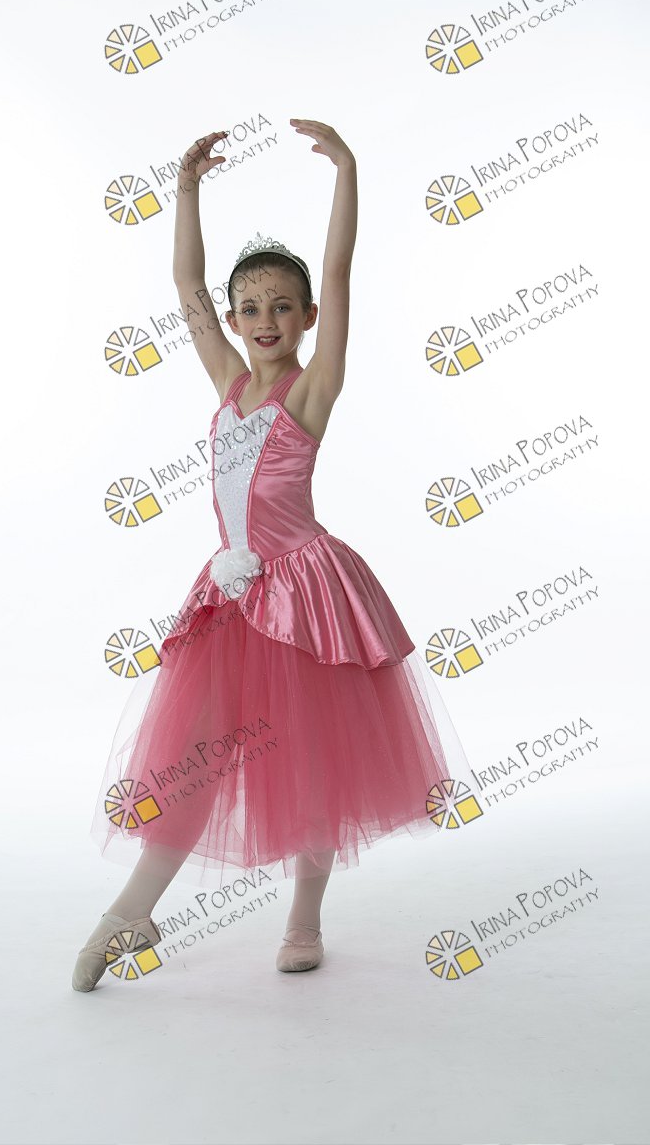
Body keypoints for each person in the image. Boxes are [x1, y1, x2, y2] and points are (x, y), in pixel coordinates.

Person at [72, 120, 476, 992]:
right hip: (230, 595)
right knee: (195, 756)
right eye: (250, 308)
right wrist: (186, 188)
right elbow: (185, 284)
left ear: (308, 317)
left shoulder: (311, 389)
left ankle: (304, 918)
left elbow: (340, 271)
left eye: (283, 306)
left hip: (307, 590)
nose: (265, 320)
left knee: (312, 755)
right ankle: (131, 912)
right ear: (232, 320)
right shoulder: (227, 382)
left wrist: (348, 172)